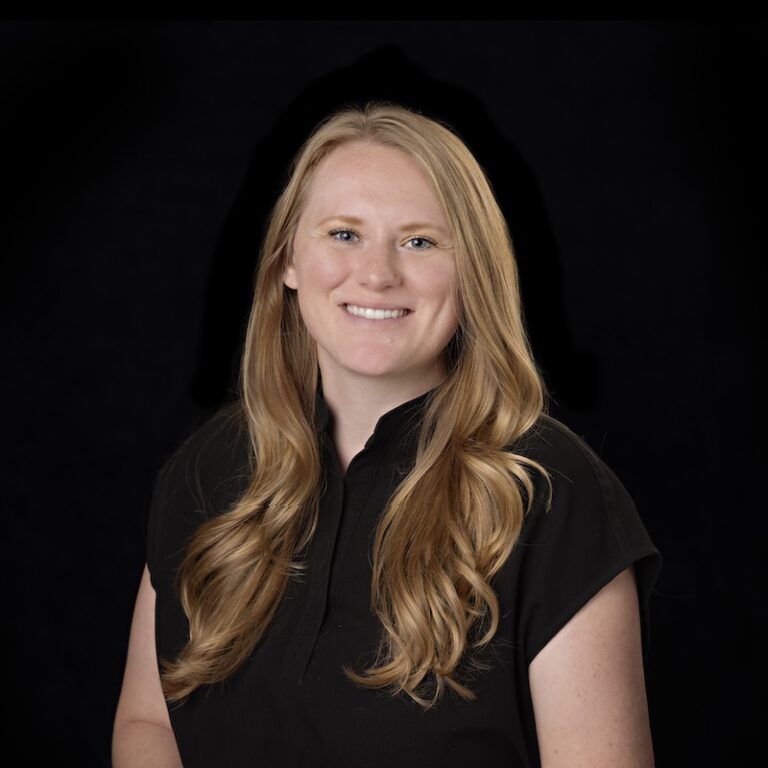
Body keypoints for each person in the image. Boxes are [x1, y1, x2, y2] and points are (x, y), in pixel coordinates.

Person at [112, 100, 663, 768]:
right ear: (288, 259)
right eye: (344, 233)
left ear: (472, 275)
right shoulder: (208, 470)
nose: (377, 273)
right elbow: (150, 722)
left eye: (419, 241)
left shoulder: (554, 495)